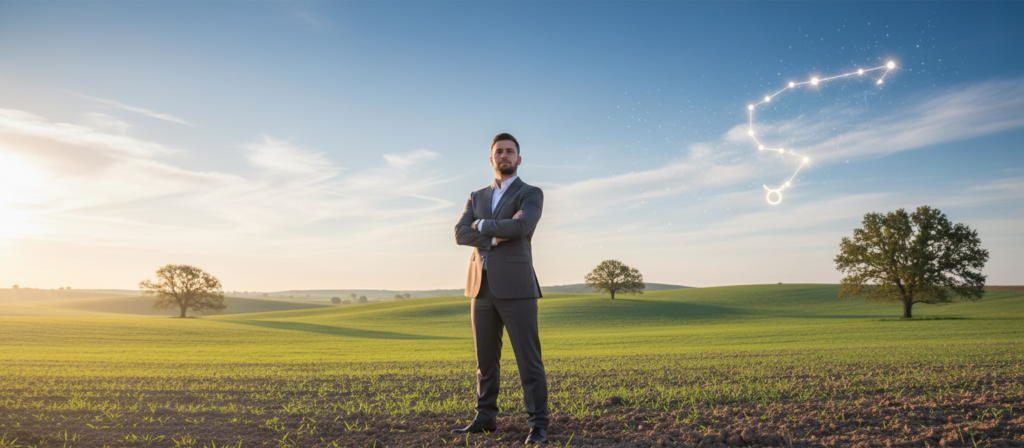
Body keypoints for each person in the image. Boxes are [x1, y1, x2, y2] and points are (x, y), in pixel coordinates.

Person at [453, 133, 548, 444]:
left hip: (517, 286)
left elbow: (521, 227)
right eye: (499, 152)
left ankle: (538, 424)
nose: (504, 156)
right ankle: (485, 418)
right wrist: (494, 234)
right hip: (480, 286)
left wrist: (480, 225)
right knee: (485, 361)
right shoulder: (476, 196)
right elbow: (459, 233)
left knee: (528, 359)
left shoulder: (530, 193)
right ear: (491, 159)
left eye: (510, 151)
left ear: (519, 159)